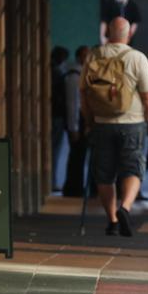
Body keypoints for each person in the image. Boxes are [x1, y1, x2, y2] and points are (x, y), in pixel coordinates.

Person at [81, 17, 148, 236]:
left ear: (107, 32)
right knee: (133, 168)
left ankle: (112, 220)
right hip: (132, 123)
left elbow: (84, 94)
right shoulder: (136, 58)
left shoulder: (93, 56)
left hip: (101, 123)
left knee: (104, 174)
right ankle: (125, 207)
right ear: (128, 34)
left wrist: (89, 122)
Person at [62, 45, 90, 198]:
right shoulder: (75, 77)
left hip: (81, 121)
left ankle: (76, 186)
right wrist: (73, 128)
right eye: (86, 55)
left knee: (80, 156)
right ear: (80, 57)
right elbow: (73, 104)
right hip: (77, 122)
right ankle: (73, 188)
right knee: (77, 156)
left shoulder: (82, 75)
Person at [50, 46, 71, 192]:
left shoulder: (52, 71)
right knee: (54, 149)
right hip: (57, 115)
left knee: (54, 149)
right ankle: (51, 181)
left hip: (53, 114)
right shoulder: (58, 73)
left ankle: (51, 181)